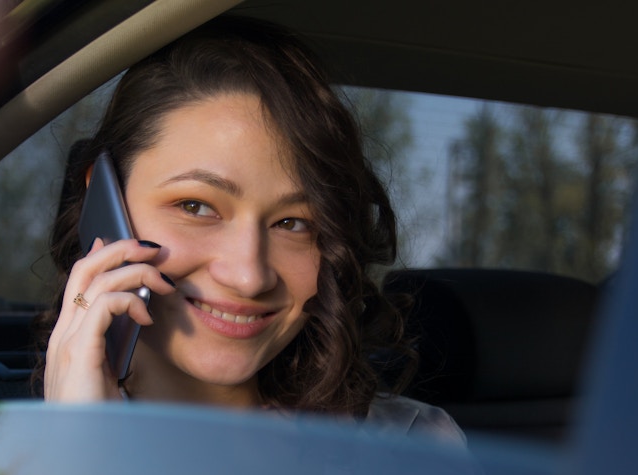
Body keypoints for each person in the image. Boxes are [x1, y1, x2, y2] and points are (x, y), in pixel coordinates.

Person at [37, 16, 463, 444]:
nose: (249, 275)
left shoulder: (416, 448)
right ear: (103, 202)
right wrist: (75, 452)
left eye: (292, 223)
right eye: (195, 206)